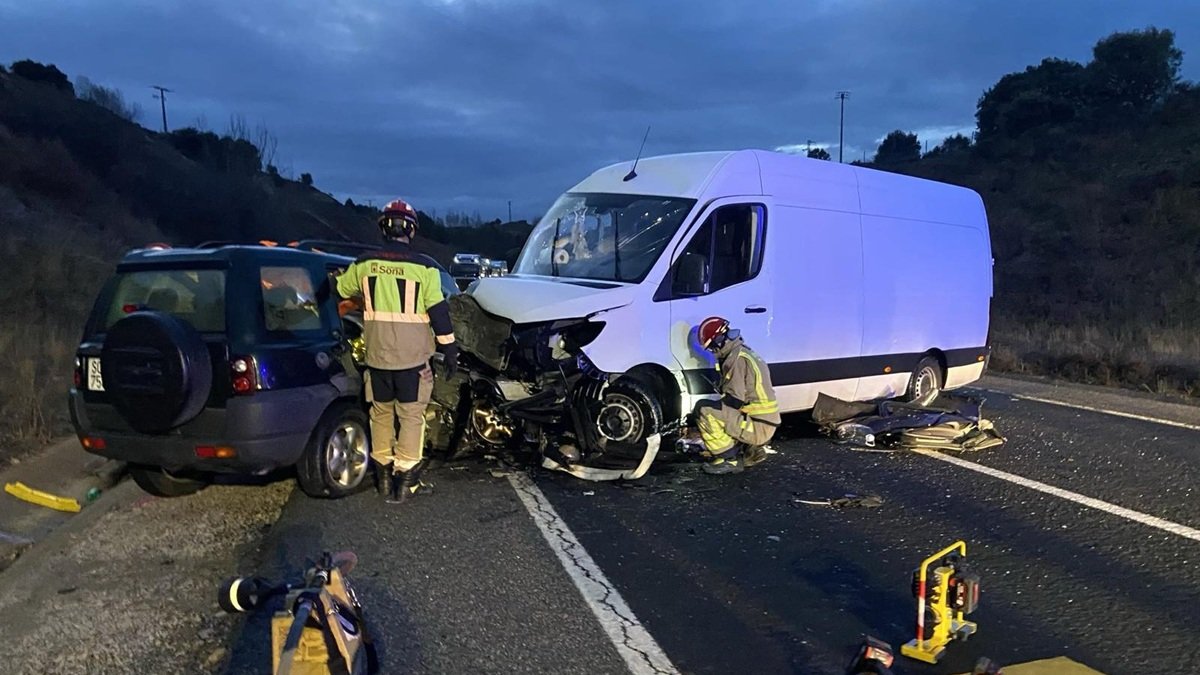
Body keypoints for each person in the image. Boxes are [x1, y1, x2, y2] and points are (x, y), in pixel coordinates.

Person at [334, 198, 458, 503]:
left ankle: (384, 480)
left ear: (383, 229)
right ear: (411, 231)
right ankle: (407, 484)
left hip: (377, 359)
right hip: (413, 362)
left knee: (381, 415)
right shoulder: (425, 268)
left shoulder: (364, 265)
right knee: (412, 417)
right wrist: (450, 349)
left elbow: (340, 290)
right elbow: (439, 313)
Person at [692, 316, 780, 475]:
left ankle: (729, 460)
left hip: (758, 427)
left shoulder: (736, 359)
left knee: (704, 410)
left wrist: (711, 408)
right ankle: (743, 448)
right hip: (763, 423)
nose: (713, 352)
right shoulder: (742, 352)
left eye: (712, 347)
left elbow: (734, 400)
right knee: (717, 409)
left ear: (719, 341)